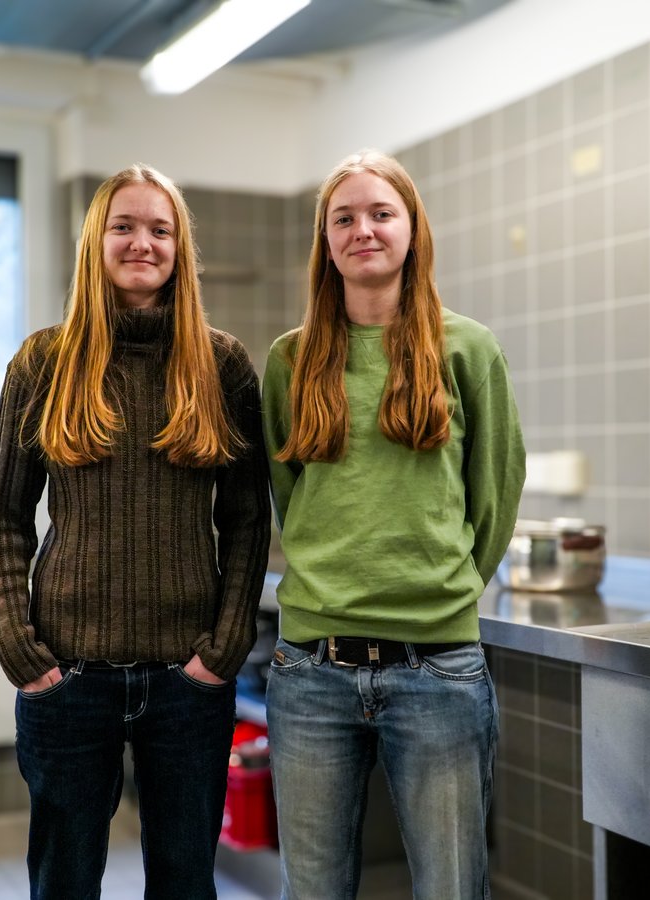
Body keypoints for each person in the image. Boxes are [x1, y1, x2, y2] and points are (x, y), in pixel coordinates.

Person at [0, 164, 271, 900]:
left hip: (188, 682)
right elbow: (4, 520)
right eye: (125, 226)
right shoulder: (43, 363)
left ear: (180, 248)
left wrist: (223, 648)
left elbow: (245, 519)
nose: (142, 243)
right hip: (68, 677)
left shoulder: (222, 364)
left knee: (183, 882)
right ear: (96, 241)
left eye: (160, 229)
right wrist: (21, 649)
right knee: (64, 882)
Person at [261, 149, 525, 900]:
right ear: (325, 240)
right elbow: (290, 495)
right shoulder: (291, 359)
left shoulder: (467, 348)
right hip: (311, 668)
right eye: (343, 217)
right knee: (312, 888)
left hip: (438, 665)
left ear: (413, 228)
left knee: (450, 886)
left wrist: (449, 586)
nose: (363, 229)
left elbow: (496, 490)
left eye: (382, 212)